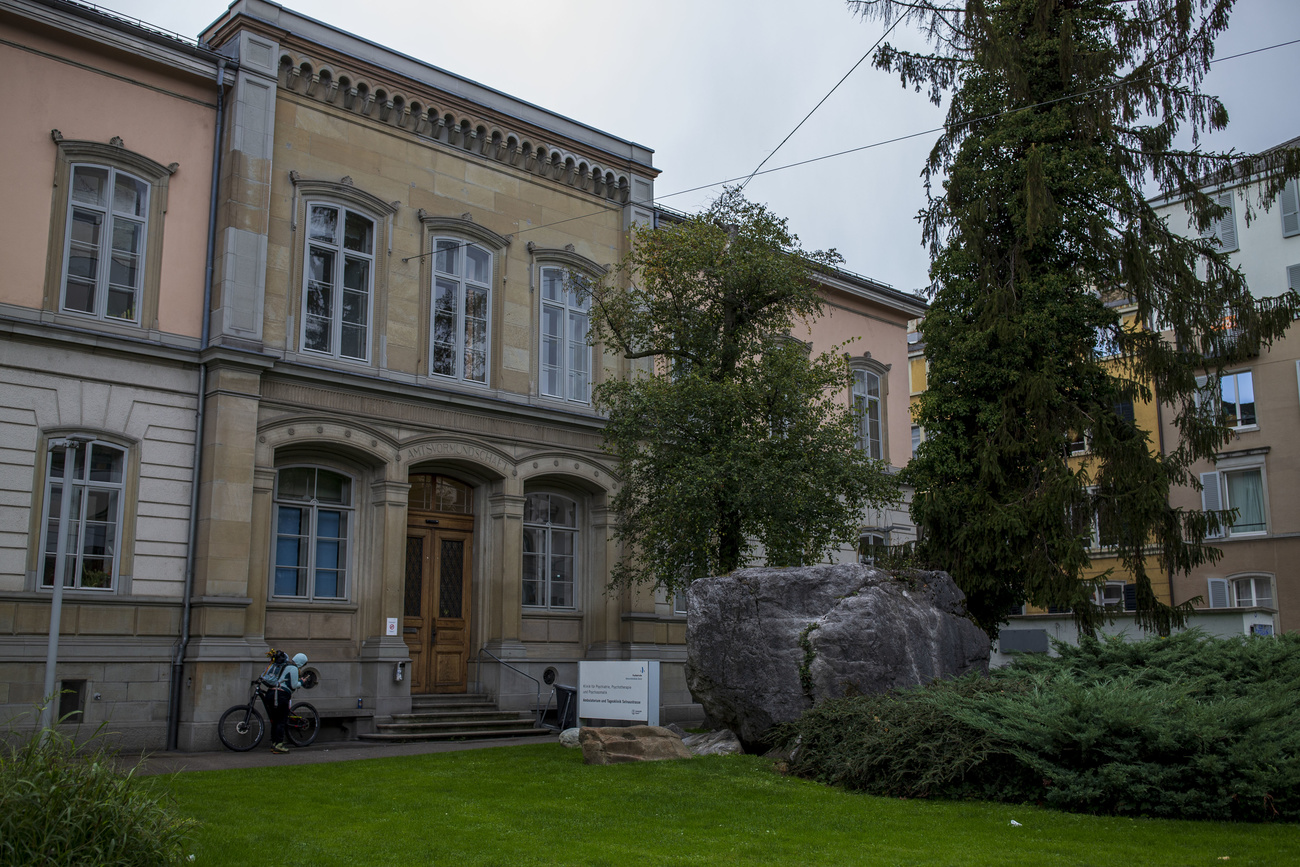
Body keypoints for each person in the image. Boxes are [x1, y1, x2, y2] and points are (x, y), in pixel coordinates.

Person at [262, 651, 308, 754]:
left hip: (271, 693)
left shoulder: (284, 665)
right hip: (281, 696)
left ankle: (273, 743)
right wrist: (302, 682)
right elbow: (293, 685)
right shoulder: (294, 668)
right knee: (281, 720)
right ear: (301, 662)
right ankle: (279, 744)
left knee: (274, 720)